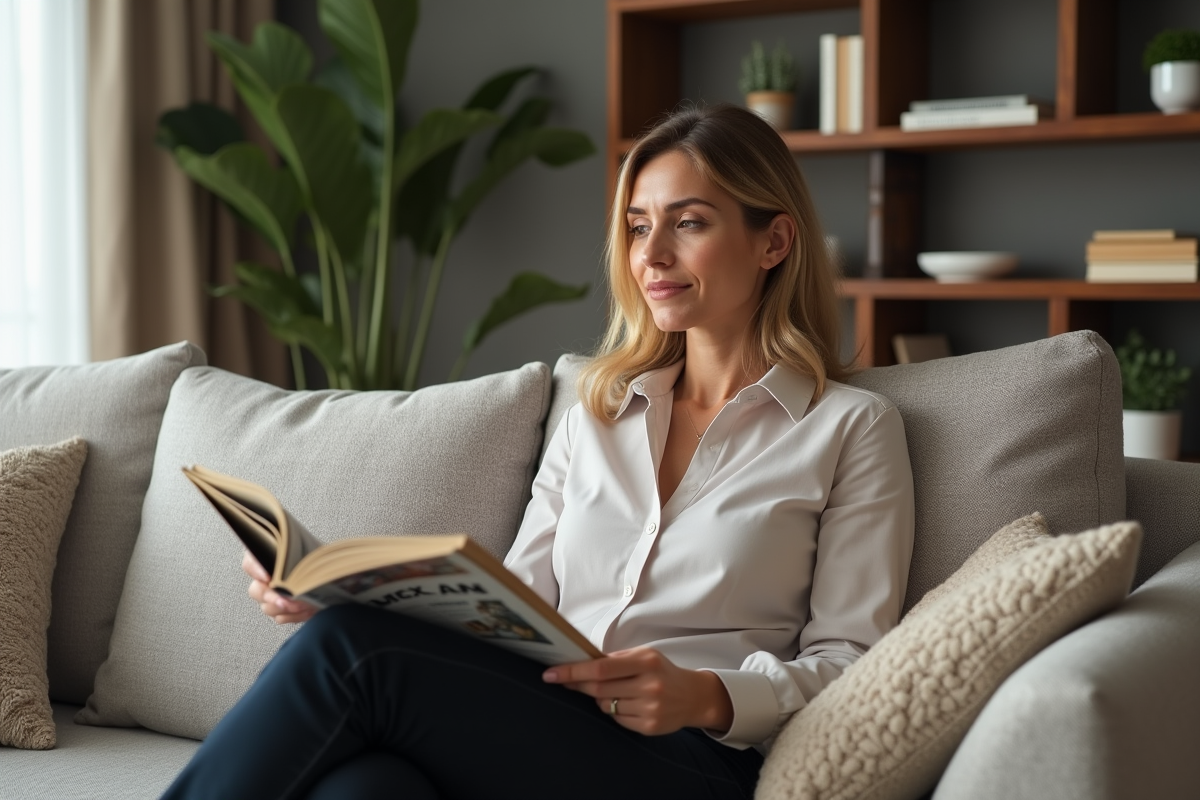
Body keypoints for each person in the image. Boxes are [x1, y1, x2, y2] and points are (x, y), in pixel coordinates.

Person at [162, 104, 914, 800]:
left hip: (696, 760)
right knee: (365, 789)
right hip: (551, 724)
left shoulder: (851, 428)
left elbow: (855, 667)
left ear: (773, 242)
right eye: (637, 224)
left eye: (687, 223)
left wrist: (707, 694)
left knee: (355, 651)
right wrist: (336, 590)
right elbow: (512, 608)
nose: (651, 254)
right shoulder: (598, 412)